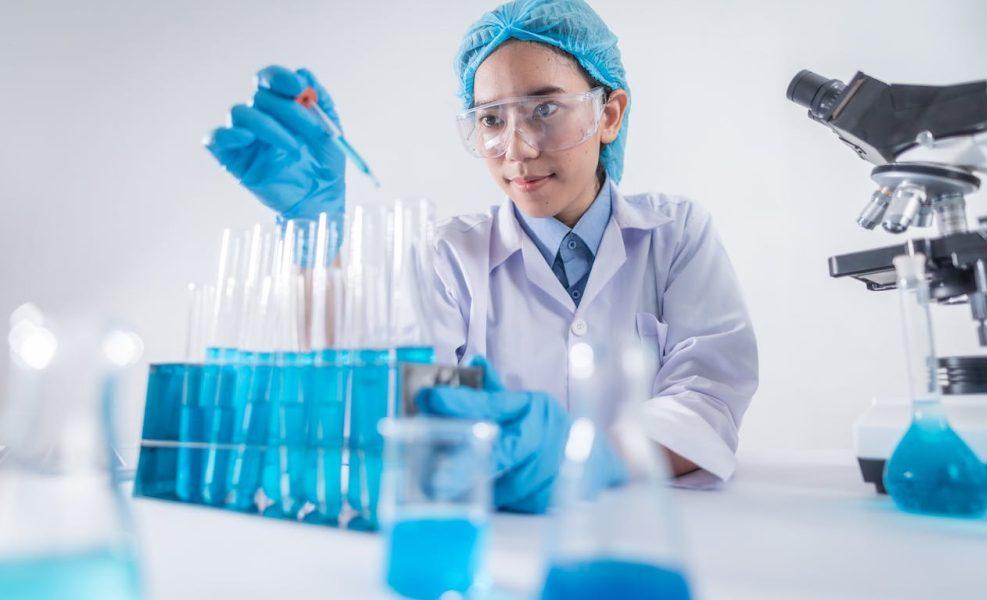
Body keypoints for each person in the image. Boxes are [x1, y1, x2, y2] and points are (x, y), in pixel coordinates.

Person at [205, 0, 758, 514]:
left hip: (642, 531)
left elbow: (707, 400)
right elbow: (389, 398)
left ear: (608, 115)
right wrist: (314, 242)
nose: (518, 149)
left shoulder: (676, 233)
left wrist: (593, 459)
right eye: (492, 119)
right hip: (494, 540)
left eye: (545, 108)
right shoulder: (448, 255)